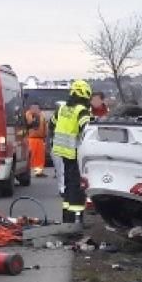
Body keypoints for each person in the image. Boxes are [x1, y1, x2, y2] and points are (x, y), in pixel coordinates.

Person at [52, 80, 93, 222]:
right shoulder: (81, 110)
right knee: (76, 187)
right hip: (75, 152)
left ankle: (67, 217)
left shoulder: (62, 108)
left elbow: (52, 123)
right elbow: (88, 130)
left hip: (62, 151)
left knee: (68, 185)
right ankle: (76, 218)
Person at [25, 102, 48, 177]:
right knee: (31, 156)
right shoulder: (28, 114)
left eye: (36, 108)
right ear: (30, 108)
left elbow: (45, 126)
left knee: (40, 157)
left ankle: (39, 172)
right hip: (31, 139)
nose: (35, 109)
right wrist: (34, 115)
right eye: (33, 108)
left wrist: (45, 136)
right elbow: (29, 123)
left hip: (40, 139)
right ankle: (27, 172)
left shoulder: (42, 116)